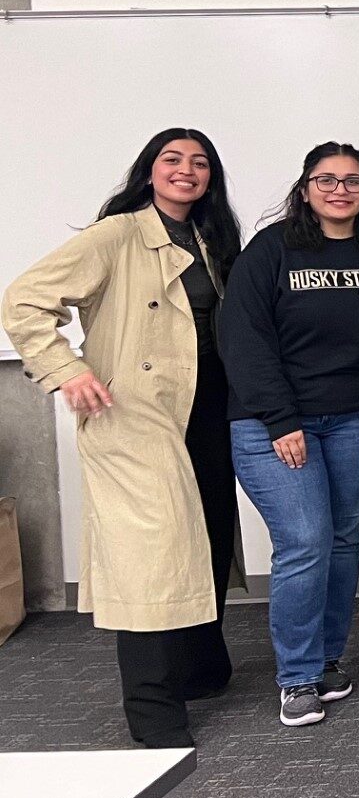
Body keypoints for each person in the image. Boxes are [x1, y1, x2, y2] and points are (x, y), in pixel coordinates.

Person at [3, 129, 244, 747]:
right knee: (152, 560)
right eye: (172, 160)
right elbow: (25, 300)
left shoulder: (215, 240)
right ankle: (154, 709)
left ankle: (201, 668)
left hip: (208, 409)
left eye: (199, 163)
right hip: (136, 414)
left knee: (210, 538)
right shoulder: (118, 234)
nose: (186, 171)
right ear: (149, 170)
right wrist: (67, 369)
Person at [220, 142, 359, 728]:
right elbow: (242, 337)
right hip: (274, 422)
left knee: (343, 537)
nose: (339, 189)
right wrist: (280, 418)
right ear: (305, 187)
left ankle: (326, 658)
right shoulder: (272, 250)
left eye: (352, 180)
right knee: (305, 540)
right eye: (326, 179)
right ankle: (296, 676)